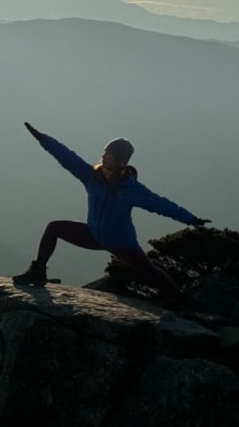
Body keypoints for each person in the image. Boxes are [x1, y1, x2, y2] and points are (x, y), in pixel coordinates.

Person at [13, 122, 210, 300]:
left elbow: (162, 205)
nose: (104, 156)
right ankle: (38, 271)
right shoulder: (92, 176)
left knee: (151, 273)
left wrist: (190, 219)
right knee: (54, 228)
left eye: (109, 154)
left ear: (120, 161)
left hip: (121, 242)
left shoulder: (132, 189)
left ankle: (180, 301)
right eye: (105, 152)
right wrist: (43, 139)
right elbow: (67, 157)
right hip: (93, 234)